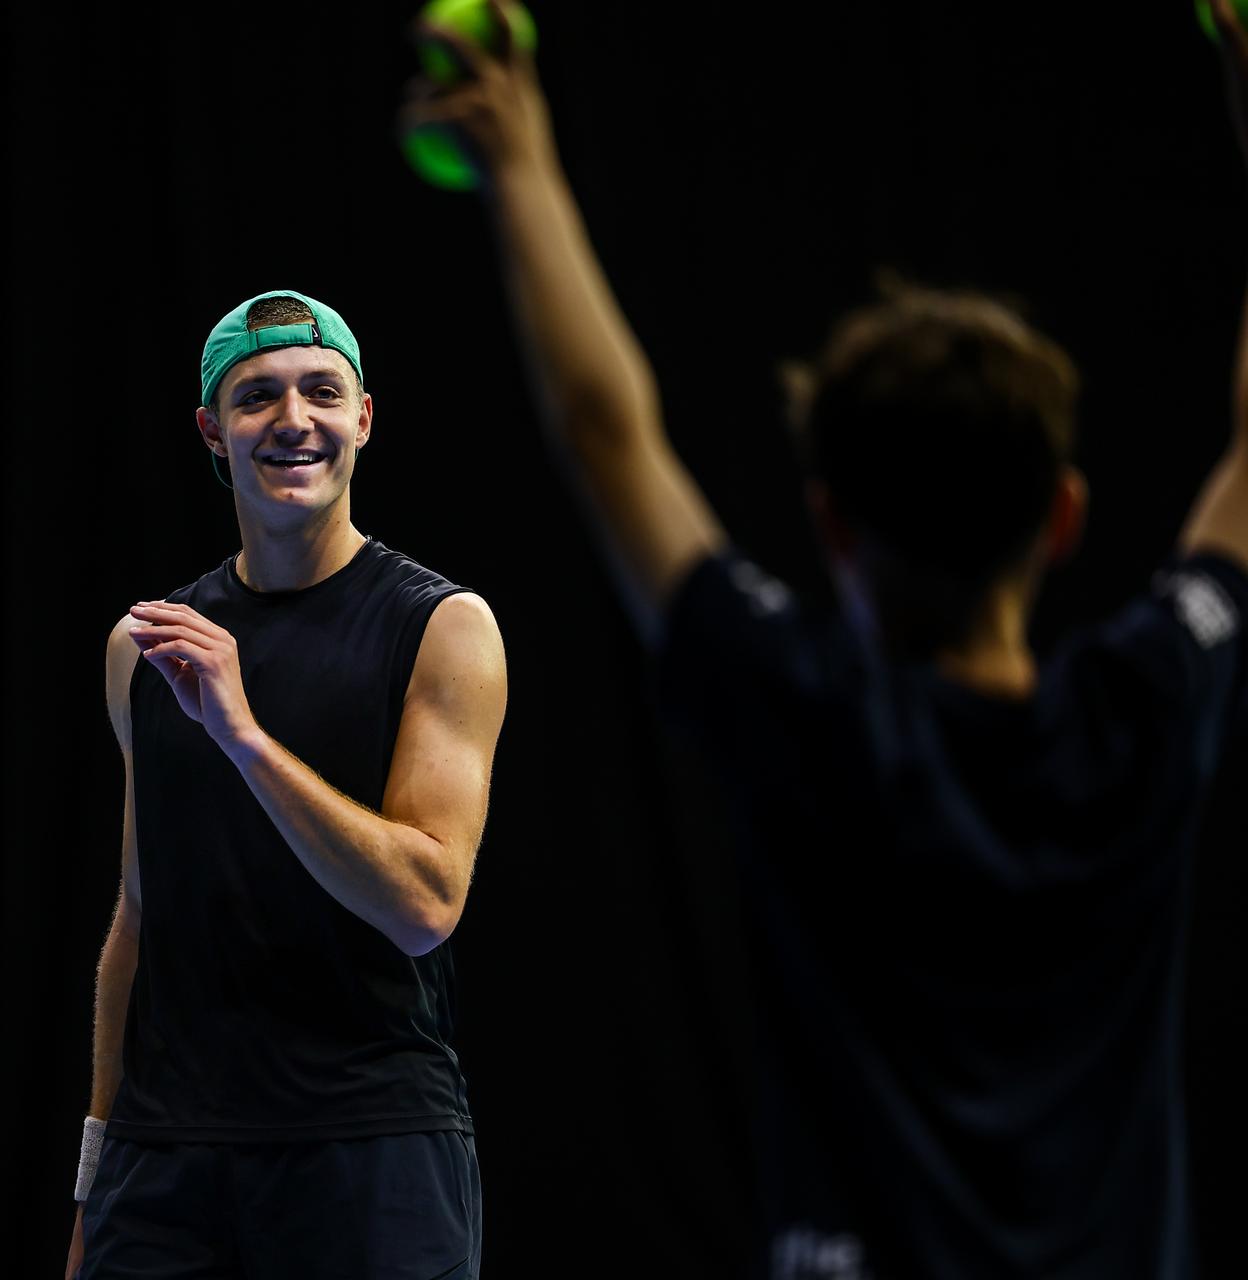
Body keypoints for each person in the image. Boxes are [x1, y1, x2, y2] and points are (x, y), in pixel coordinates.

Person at [403, 3, 1248, 1275]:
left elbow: (605, 429)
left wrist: (519, 163)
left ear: (831, 528)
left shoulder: (802, 711)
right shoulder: (1147, 706)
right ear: (1065, 515)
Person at [64, 291, 508, 1279]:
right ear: (212, 432)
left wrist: (243, 734)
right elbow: (137, 915)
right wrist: (95, 1174)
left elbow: (426, 900)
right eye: (257, 396)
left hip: (371, 1146)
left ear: (364, 418)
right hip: (166, 1158)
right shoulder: (144, 648)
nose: (293, 418)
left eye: (321, 391)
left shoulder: (442, 626)